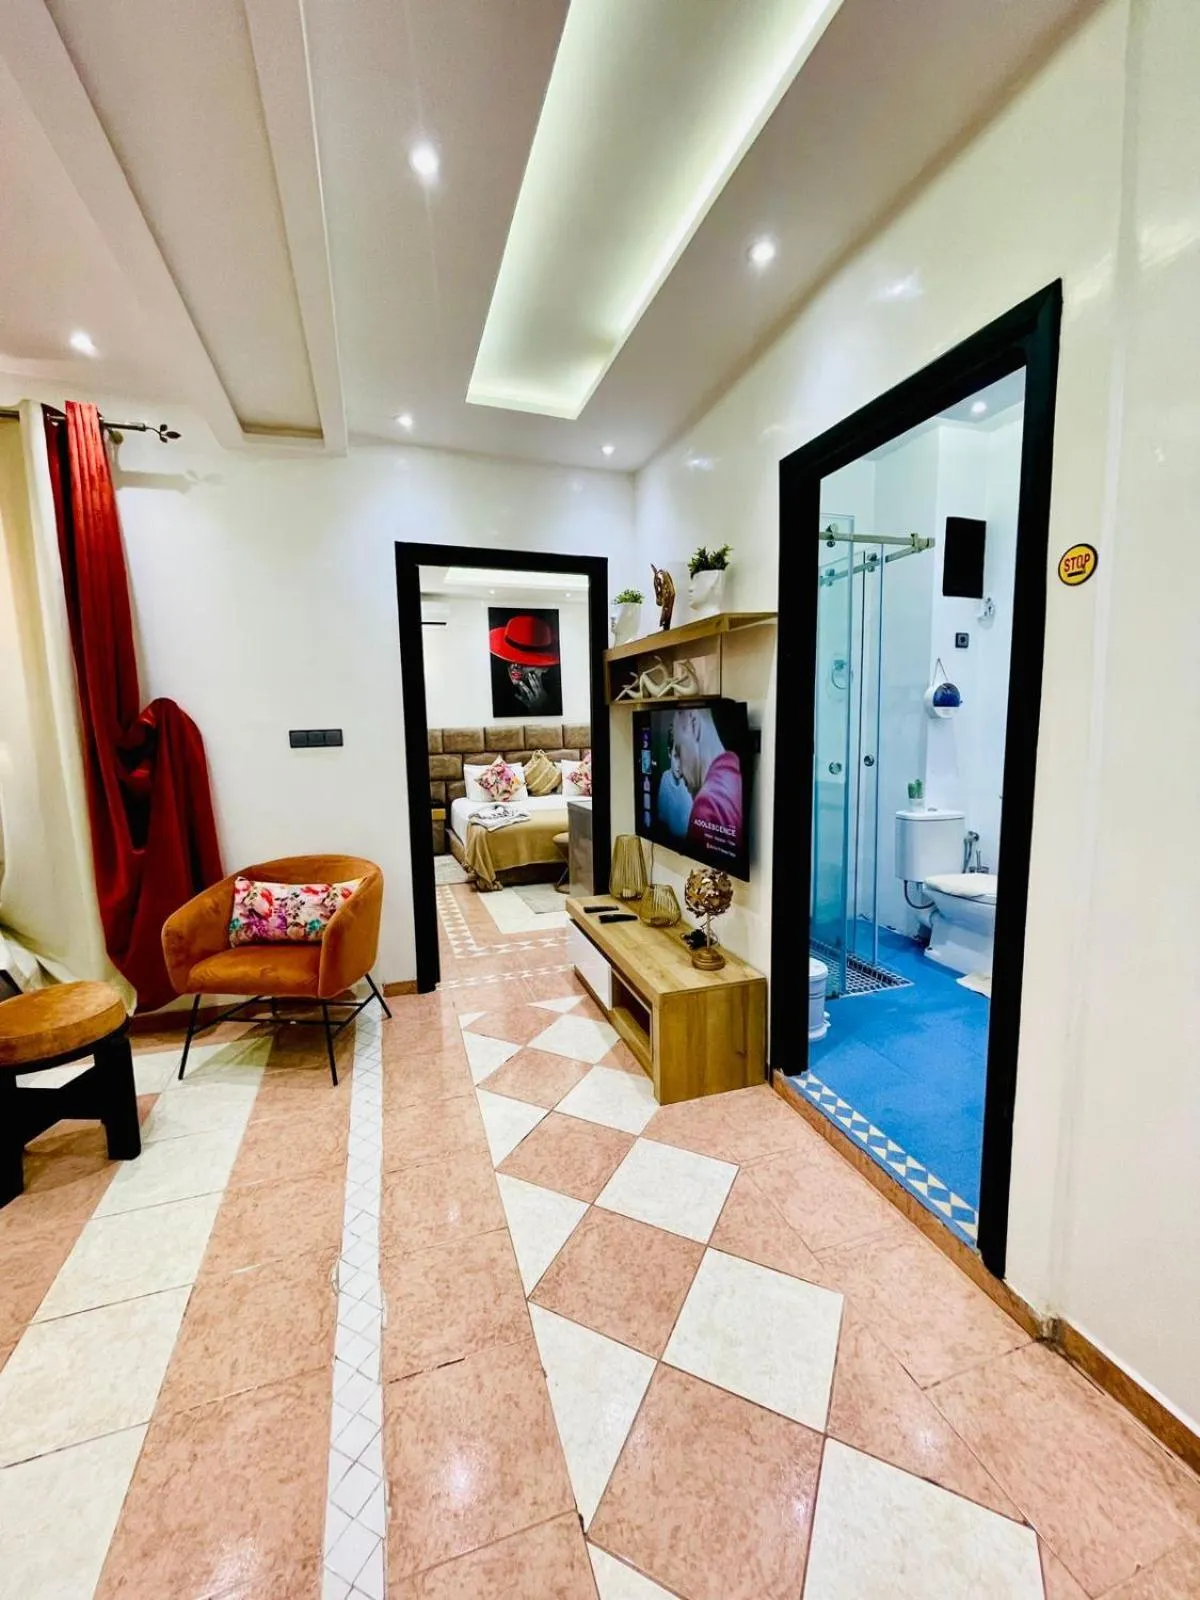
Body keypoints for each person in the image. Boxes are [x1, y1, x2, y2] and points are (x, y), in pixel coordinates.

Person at [671, 706, 743, 860]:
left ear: (694, 724)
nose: (680, 771)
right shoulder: (734, 771)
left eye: (679, 750)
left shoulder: (706, 806)